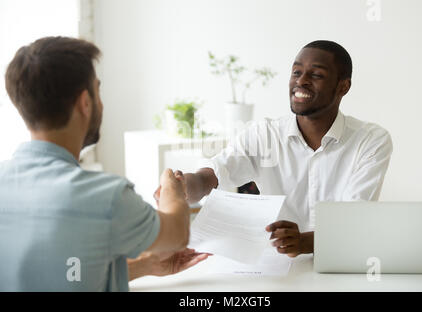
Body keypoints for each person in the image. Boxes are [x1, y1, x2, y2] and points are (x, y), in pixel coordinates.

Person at [0, 36, 209, 291]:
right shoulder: (106, 197)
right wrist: (172, 187)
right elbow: (177, 236)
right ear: (85, 103)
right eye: (98, 90)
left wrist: (144, 266)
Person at [156, 40, 393, 258]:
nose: (301, 81)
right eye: (296, 72)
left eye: (316, 74)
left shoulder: (371, 141)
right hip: (276, 266)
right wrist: (184, 187)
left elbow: (356, 221)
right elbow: (213, 175)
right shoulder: (264, 134)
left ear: (343, 87)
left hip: (342, 263)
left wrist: (304, 242)